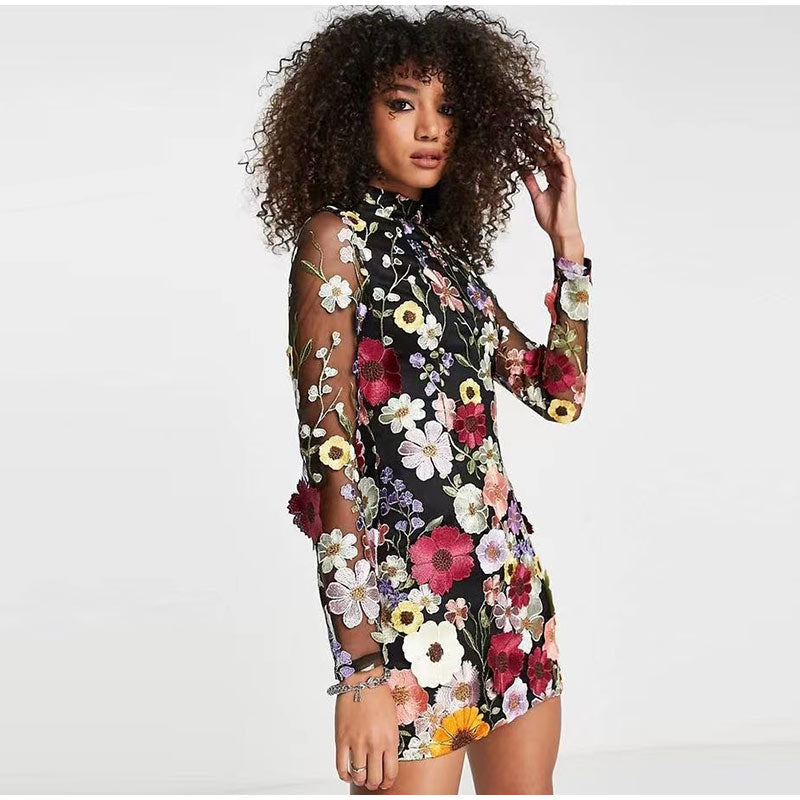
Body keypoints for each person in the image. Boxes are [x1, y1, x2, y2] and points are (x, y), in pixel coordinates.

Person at [242, 7, 592, 795]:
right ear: (352, 114)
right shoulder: (335, 243)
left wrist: (567, 248)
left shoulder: (448, 263)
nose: (430, 127)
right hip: (407, 613)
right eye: (403, 103)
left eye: (446, 107)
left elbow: (558, 393)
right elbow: (330, 460)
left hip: (506, 586)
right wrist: (359, 667)